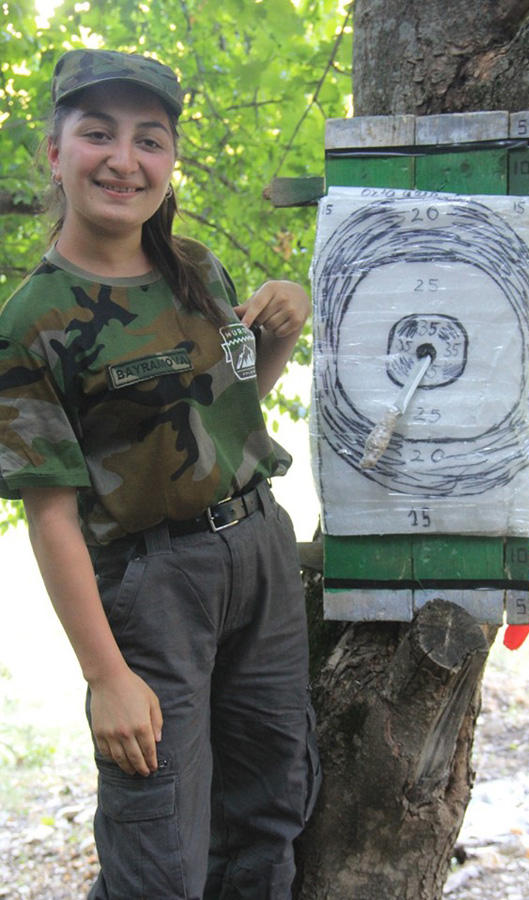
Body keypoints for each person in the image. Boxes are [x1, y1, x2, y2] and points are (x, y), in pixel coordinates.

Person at [0, 49, 320, 899]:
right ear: (55, 153)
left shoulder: (198, 268)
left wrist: (281, 330)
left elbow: (219, 414)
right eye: (97, 134)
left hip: (260, 551)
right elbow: (51, 517)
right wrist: (106, 677)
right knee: (161, 853)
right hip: (155, 589)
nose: (124, 159)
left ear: (171, 159)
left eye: (149, 139)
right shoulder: (31, 321)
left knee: (270, 813)